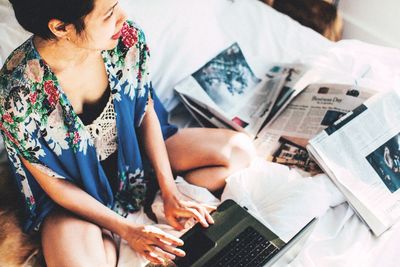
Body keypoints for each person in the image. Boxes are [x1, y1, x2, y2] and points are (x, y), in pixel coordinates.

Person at [0, 0, 256, 266]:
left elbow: (145, 111)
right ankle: (113, 232)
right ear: (61, 27)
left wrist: (169, 190)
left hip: (136, 159)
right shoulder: (16, 93)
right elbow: (54, 184)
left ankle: (154, 208)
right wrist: (127, 231)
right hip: (75, 196)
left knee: (241, 150)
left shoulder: (125, 38)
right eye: (109, 13)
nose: (123, 16)